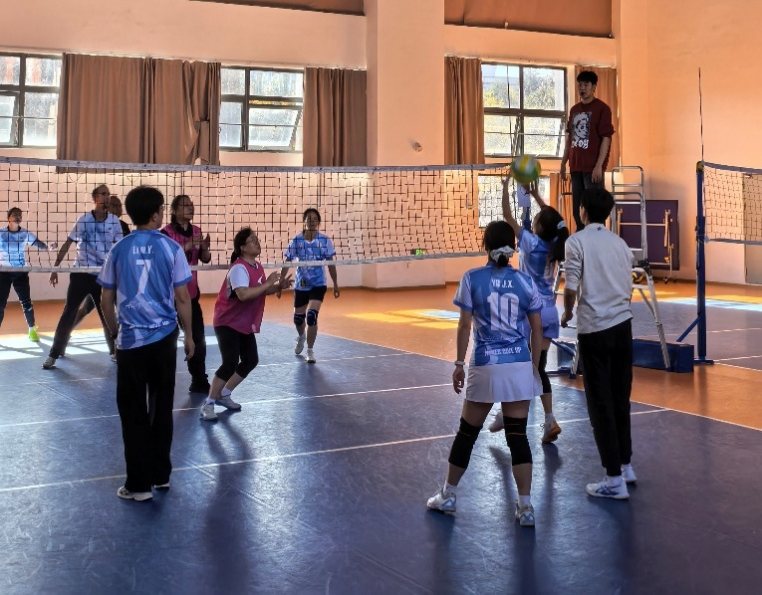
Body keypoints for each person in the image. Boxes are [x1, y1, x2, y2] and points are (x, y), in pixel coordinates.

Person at [426, 220, 543, 527]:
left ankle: (448, 495)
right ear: (513, 247)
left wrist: (458, 363)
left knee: (467, 433)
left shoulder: (472, 278)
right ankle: (526, 507)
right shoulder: (525, 281)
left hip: (486, 364)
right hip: (517, 365)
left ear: (485, 246)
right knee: (518, 437)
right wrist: (533, 367)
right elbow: (537, 329)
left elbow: (464, 325)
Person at [98, 185, 194, 502]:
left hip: (130, 343)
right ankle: (160, 475)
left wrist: (115, 333)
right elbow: (183, 298)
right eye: (162, 210)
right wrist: (190, 335)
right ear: (155, 215)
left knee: (133, 413)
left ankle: (139, 486)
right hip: (164, 340)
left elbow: (106, 298)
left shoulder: (119, 249)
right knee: (162, 408)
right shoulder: (172, 248)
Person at [561, 188, 635, 500]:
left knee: (600, 403)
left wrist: (567, 313)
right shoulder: (621, 244)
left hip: (595, 331)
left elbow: (571, 286)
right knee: (620, 398)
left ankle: (614, 479)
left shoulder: (576, 242)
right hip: (623, 328)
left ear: (582, 210)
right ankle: (626, 466)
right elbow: (628, 287)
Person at [487, 178, 569, 444]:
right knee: (538, 367)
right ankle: (549, 419)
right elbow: (556, 222)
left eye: (536, 219)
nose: (533, 220)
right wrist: (535, 196)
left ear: (539, 227)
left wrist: (504, 186)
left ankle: (505, 414)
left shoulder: (531, 242)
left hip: (529, 314)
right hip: (549, 312)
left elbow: (507, 216)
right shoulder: (556, 241)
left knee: (516, 364)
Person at [199, 228, 292, 422]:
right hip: (227, 321)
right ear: (242, 247)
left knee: (250, 360)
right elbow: (243, 294)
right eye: (252, 240)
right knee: (229, 363)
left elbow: (259, 290)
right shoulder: (239, 268)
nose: (257, 242)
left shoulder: (257, 266)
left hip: (242, 322)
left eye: (257, 239)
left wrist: (278, 287)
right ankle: (208, 404)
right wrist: (268, 284)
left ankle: (224, 394)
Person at [43, 185, 123, 369]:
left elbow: (120, 250)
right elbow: (67, 243)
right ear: (95, 198)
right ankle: (54, 354)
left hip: (102, 276)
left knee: (107, 316)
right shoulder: (84, 220)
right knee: (69, 313)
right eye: (103, 194)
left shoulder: (114, 222)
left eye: (108, 194)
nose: (107, 197)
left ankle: (116, 352)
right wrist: (55, 269)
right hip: (80, 273)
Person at [161, 194, 211, 393]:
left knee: (198, 338)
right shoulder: (165, 233)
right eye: (185, 205)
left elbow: (204, 259)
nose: (190, 208)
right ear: (174, 211)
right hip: (168, 296)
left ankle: (199, 380)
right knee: (166, 340)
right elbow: (167, 258)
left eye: (191, 205)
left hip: (190, 295)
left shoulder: (197, 230)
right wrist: (189, 245)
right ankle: (160, 379)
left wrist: (205, 249)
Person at [278, 208, 339, 364]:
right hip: (301, 284)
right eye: (309, 218)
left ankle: (310, 350)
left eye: (315, 219)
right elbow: (287, 261)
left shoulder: (324, 241)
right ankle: (301, 336)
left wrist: (335, 284)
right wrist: (280, 283)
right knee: (298, 319)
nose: (312, 221)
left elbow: (331, 264)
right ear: (304, 221)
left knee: (311, 316)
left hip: (318, 284)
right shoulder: (297, 241)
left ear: (319, 222)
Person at [559, 70, 615, 231]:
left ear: (594, 87)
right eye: (580, 85)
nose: (582, 88)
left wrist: (599, 166)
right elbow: (570, 138)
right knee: (578, 211)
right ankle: (581, 241)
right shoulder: (574, 110)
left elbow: (606, 138)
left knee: (594, 212)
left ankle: (597, 242)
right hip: (576, 166)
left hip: (592, 168)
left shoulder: (602, 108)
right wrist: (563, 162)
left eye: (586, 85)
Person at [71, 195, 130, 329]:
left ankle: (119, 335)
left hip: (117, 275)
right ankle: (67, 330)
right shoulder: (97, 224)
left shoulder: (123, 226)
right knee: (87, 308)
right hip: (100, 275)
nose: (119, 208)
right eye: (115, 205)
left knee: (121, 307)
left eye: (119, 205)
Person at [0, 207, 56, 341]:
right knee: (0, 304)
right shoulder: (1, 233)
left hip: (20, 272)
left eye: (20, 215)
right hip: (3, 272)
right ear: (8, 218)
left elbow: (38, 243)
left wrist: (48, 247)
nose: (18, 217)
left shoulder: (25, 233)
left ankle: (32, 330)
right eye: (15, 214)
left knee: (26, 302)